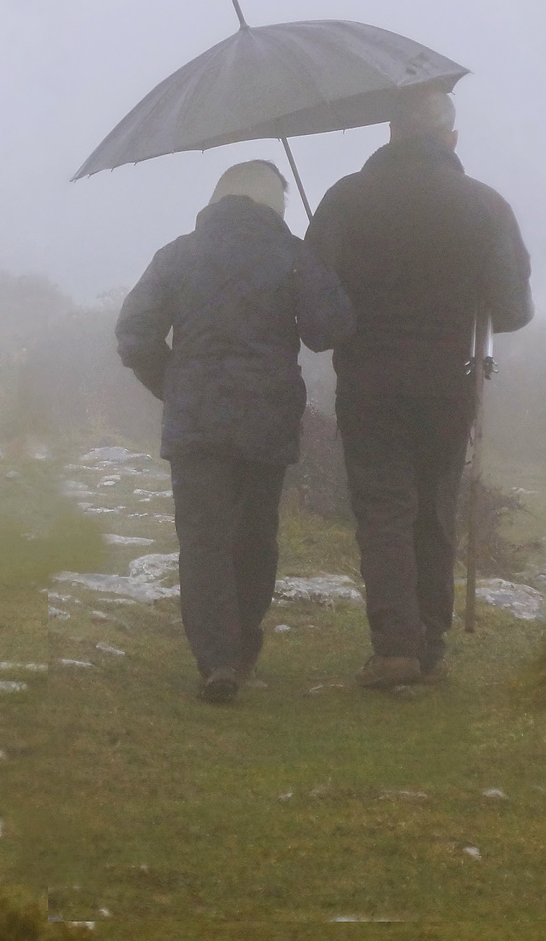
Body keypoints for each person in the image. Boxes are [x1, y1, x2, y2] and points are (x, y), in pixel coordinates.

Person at [306, 90, 533, 689]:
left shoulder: (344, 201)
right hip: (449, 382)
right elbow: (512, 310)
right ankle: (429, 642)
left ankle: (396, 647)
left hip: (370, 383)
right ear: (450, 138)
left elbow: (316, 320)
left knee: (383, 511)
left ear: (390, 133)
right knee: (433, 510)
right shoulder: (484, 205)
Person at [116, 160, 354, 702]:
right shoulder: (292, 254)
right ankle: (243, 646)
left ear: (219, 198)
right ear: (272, 202)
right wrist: (326, 273)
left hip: (197, 416)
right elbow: (329, 330)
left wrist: (172, 383)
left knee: (202, 538)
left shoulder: (179, 253)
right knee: (253, 535)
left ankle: (217, 659)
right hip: (266, 416)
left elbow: (133, 334)